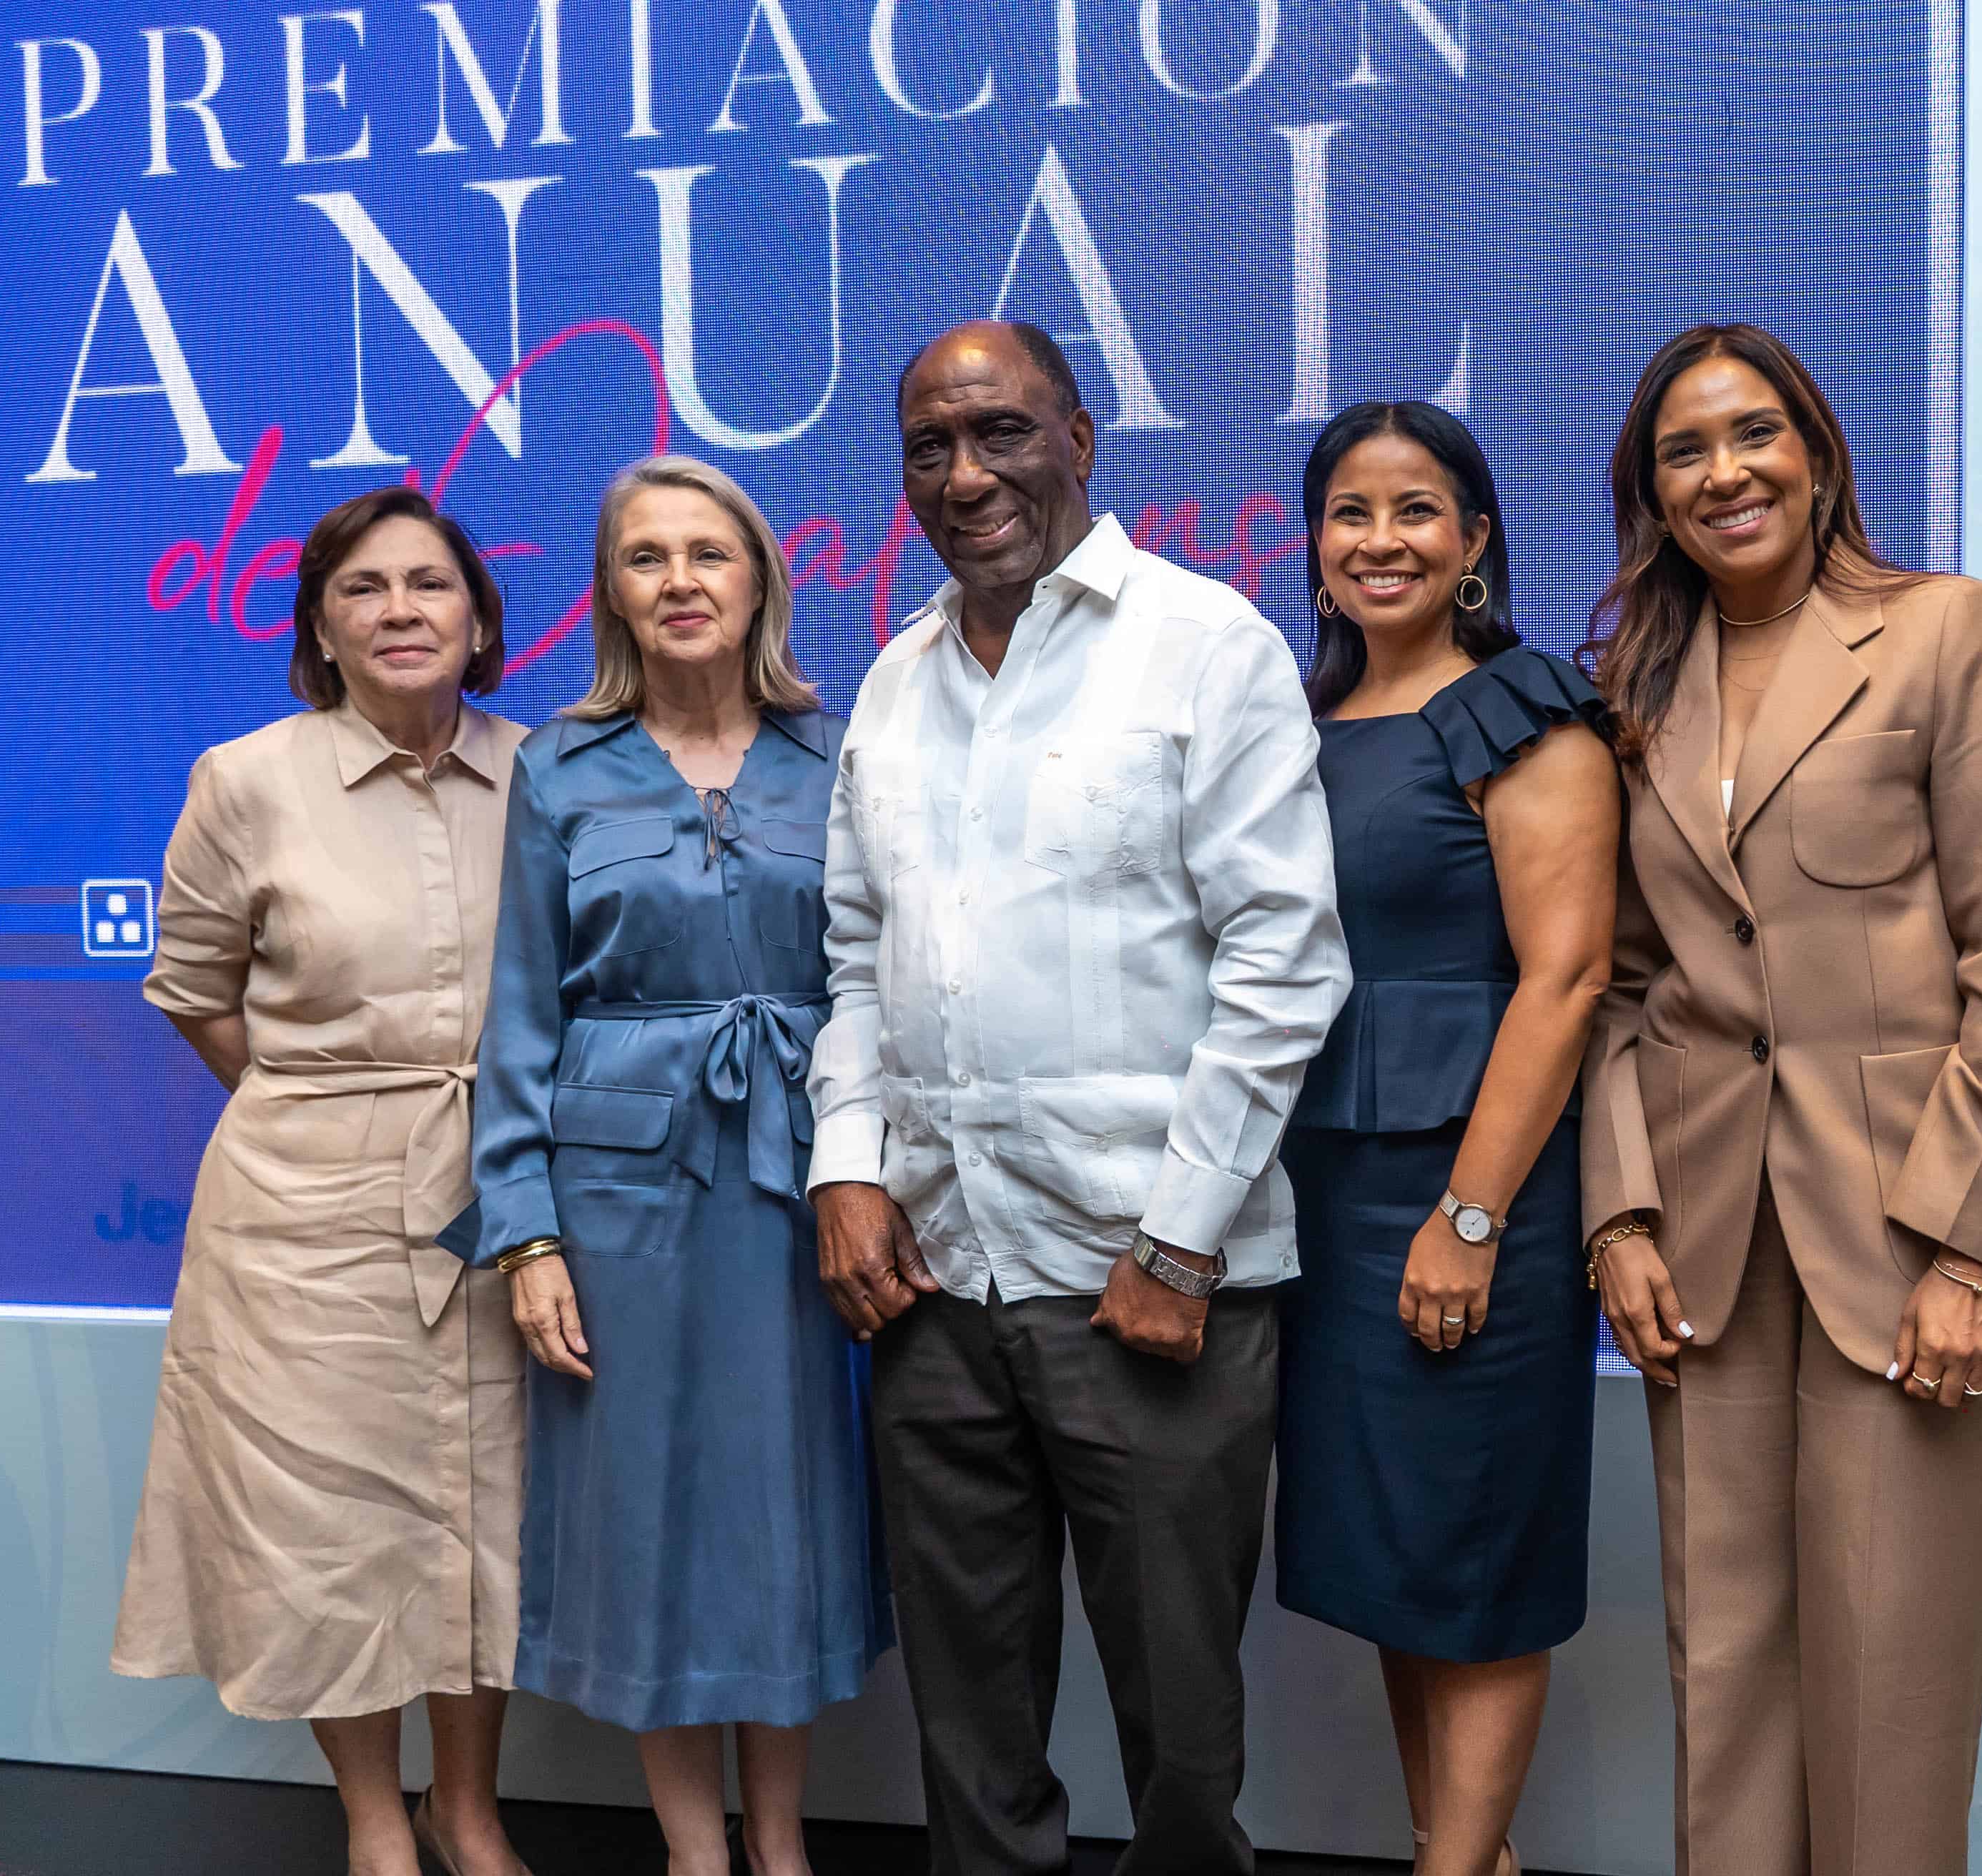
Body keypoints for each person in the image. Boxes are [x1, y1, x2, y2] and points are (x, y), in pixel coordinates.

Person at [807, 320, 1349, 1876]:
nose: (967, 476)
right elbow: (855, 959)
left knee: (1183, 1728)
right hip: (932, 1283)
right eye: (930, 446)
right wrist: (849, 1170)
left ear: (1080, 440)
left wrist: (1181, 1242)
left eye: (1001, 432)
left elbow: (1285, 959)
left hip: (1146, 1282)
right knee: (968, 1726)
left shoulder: (1205, 645)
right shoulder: (893, 686)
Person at [1578, 322, 1982, 1876]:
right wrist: (1621, 1213)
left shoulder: (1941, 633)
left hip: (1906, 1242)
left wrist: (1975, 1251)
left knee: (1892, 1684)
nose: (1724, 470)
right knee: (1723, 1676)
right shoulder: (1638, 682)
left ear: (1817, 449)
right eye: (1684, 450)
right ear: (1651, 495)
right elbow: (1620, 983)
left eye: (1753, 433)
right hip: (1709, 1253)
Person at [468, 456, 889, 1876]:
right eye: (646, 557)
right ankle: (695, 1855)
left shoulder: (843, 752)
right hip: (615, 1200)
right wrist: (524, 1235)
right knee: (646, 1515)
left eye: (709, 552)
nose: (681, 580)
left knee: (787, 1509)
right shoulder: (558, 766)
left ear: (762, 574)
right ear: (612, 592)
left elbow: (886, 978)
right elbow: (523, 1013)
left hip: (804, 1181)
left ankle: (783, 1846)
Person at [114, 485, 534, 1876]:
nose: (402, 609)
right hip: (298, 1210)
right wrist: (324, 1114)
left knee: (484, 1514)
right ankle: (375, 1821)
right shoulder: (246, 779)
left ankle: (468, 1814)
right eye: (366, 587)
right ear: (319, 627)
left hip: (506, 1202)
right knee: (332, 1525)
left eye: (431, 584)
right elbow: (194, 992)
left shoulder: (554, 774)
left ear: (479, 620)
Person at [1273, 401, 1619, 1876]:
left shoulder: (1522, 708)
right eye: (1352, 511)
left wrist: (1469, 1219)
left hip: (1473, 1194)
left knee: (1474, 1562)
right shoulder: (1292, 722)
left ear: (1474, 536)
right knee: (1401, 1562)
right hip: (1326, 1192)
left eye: (1418, 509)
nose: (1382, 539)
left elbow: (1567, 976)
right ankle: (1460, 1853)